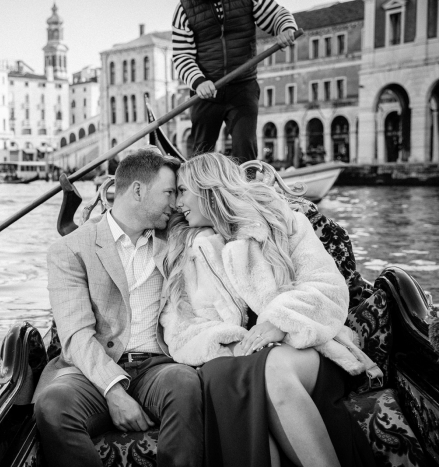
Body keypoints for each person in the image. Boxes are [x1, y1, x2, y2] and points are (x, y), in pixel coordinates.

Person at [161, 152, 378, 466]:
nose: (177, 203)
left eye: (182, 191)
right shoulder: (187, 248)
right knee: (242, 375)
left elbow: (327, 286)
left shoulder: (281, 221)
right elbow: (180, 326)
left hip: (305, 347)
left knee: (272, 367)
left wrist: (279, 321)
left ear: (207, 187)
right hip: (235, 358)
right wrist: (233, 342)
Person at [33, 148, 204, 467]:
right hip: (91, 374)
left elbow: (216, 207)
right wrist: (113, 391)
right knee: (52, 404)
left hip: (157, 367)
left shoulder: (176, 235)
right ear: (138, 190)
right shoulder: (70, 249)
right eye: (168, 192)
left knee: (185, 383)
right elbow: (75, 335)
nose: (175, 203)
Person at [172, 0, 298, 161]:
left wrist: (286, 28)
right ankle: (200, 184)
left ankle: (247, 182)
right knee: (201, 153)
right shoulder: (184, 8)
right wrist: (198, 82)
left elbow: (276, 14)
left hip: (243, 87)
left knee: (246, 146)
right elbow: (182, 55)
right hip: (206, 90)